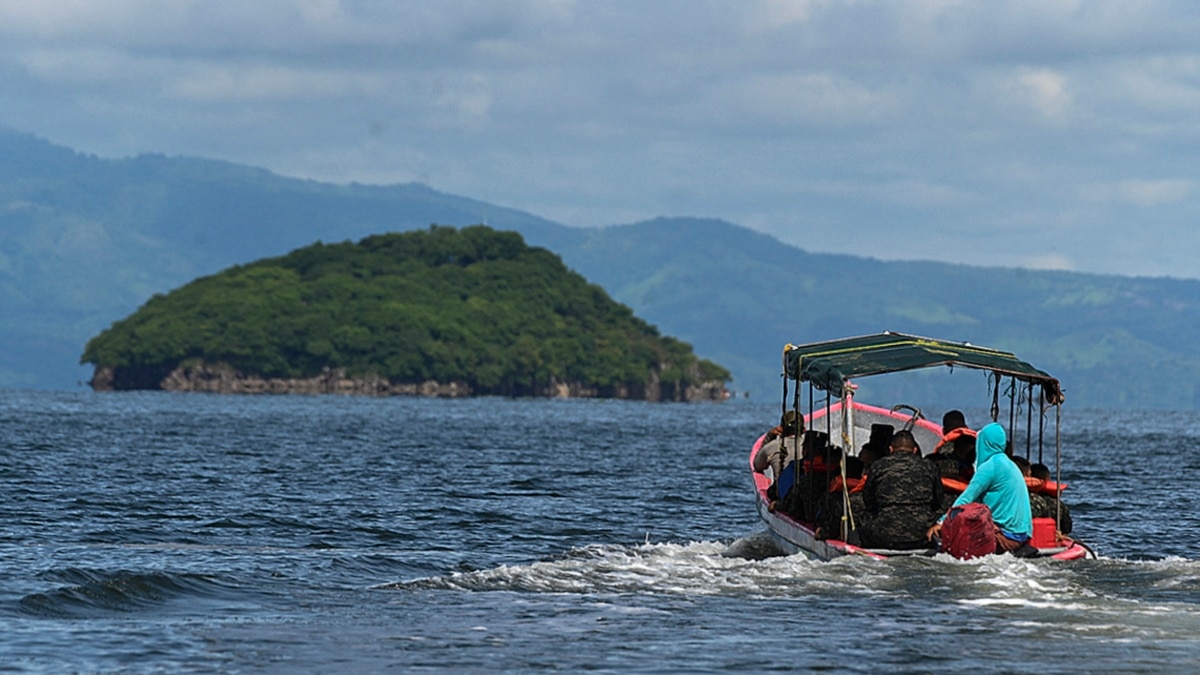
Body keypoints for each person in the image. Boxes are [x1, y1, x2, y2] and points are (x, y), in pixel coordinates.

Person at [927, 422, 1033, 554]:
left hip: (1005, 536)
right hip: (1022, 534)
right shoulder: (1008, 463)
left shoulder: (990, 466)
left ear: (983, 443)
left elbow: (966, 498)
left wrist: (942, 522)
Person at [858, 429, 944, 550]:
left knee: (863, 518)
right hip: (922, 534)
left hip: (884, 534)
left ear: (891, 449)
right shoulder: (929, 466)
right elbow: (938, 501)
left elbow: (868, 500)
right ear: (915, 450)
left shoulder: (878, 465)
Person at [1029, 463, 1073, 535]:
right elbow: (1067, 528)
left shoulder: (1023, 499)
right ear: (1047, 479)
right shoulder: (1059, 505)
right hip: (1051, 538)